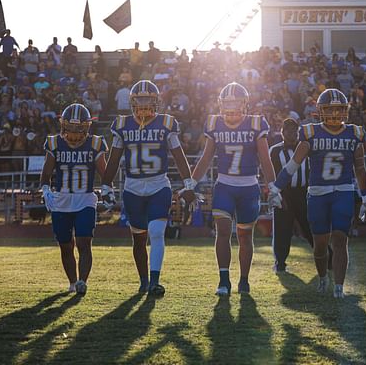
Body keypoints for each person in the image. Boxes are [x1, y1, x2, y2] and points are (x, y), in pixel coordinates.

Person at [269, 89, 366, 299]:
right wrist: (276, 187)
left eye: (339, 109)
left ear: (345, 110)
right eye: (330, 109)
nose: (335, 113)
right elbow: (293, 165)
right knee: (320, 245)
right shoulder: (310, 133)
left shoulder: (355, 133)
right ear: (320, 111)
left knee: (340, 239)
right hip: (317, 194)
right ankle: (323, 278)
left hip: (343, 190)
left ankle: (339, 287)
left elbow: (360, 169)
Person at [99, 80, 197, 297]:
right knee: (139, 238)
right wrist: (106, 185)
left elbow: (179, 156)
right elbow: (113, 159)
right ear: (132, 103)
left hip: (158, 185)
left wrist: (189, 182)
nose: (143, 106)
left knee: (156, 232)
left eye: (148, 101)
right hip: (133, 188)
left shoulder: (166, 124)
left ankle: (154, 281)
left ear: (156, 102)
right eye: (139, 101)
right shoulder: (123, 125)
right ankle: (143, 280)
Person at [186, 82, 277, 295]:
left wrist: (272, 185)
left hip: (249, 186)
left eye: (235, 102)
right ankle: (224, 280)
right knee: (223, 231)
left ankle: (244, 280)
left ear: (244, 104)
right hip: (225, 184)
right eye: (227, 102)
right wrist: (191, 182)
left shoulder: (255, 123)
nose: (231, 106)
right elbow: (207, 157)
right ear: (221, 104)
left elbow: (265, 158)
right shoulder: (214, 123)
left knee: (245, 236)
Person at [39, 103, 109, 295]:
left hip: (85, 198)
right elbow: (46, 173)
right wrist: (45, 189)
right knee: (65, 244)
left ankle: (82, 282)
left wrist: (108, 189)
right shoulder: (54, 143)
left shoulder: (95, 143)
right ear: (63, 127)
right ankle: (71, 282)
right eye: (71, 130)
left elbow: (105, 173)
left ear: (86, 128)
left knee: (84, 241)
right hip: (62, 199)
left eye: (79, 130)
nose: (75, 135)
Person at [269, 118, 325, 274]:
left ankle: (326, 257)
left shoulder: (306, 148)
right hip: (284, 194)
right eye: (289, 130)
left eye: (295, 130)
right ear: (282, 132)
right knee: (282, 229)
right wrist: (278, 195)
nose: (293, 133)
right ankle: (280, 262)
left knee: (312, 226)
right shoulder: (274, 150)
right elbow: (271, 174)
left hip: (304, 193)